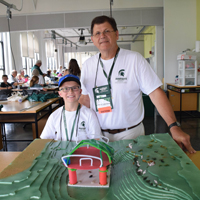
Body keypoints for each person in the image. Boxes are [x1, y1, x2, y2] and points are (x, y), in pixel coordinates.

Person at [79, 15, 196, 153]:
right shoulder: (88, 65)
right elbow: (85, 99)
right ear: (92, 39)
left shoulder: (134, 60)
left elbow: (155, 93)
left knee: (133, 173)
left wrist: (173, 126)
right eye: (97, 33)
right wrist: (67, 119)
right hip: (98, 135)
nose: (102, 36)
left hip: (130, 135)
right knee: (102, 174)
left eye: (106, 31)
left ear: (116, 34)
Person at [40, 74, 102, 141]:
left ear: (80, 91)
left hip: (82, 151)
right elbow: (44, 140)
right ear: (60, 93)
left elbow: (96, 140)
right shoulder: (54, 116)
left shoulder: (89, 114)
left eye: (75, 88)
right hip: (61, 151)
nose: (70, 92)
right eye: (65, 89)